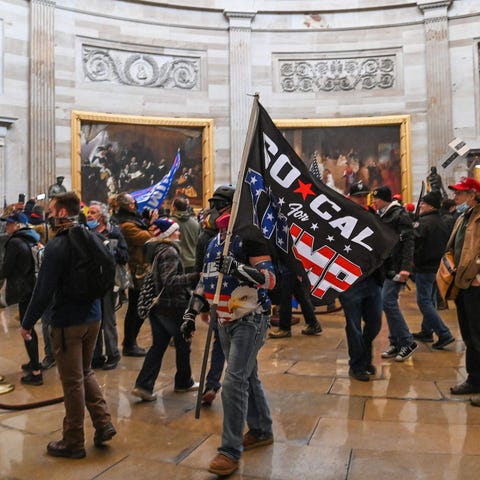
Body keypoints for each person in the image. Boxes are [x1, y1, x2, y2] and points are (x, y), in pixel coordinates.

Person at [20, 192, 116, 458]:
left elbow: (43, 290)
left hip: (68, 323)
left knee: (72, 381)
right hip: (94, 317)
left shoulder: (57, 246)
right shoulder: (93, 238)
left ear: (62, 213)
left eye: (52, 210)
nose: (49, 215)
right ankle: (104, 422)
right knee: (85, 372)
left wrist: (27, 323)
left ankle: (73, 440)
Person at [181, 211, 276, 477]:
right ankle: (261, 429)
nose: (213, 212)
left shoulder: (250, 236)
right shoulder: (213, 242)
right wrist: (191, 311)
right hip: (223, 319)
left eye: (218, 206)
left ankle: (229, 451)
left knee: (234, 382)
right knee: (249, 376)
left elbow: (269, 279)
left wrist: (237, 268)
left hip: (249, 317)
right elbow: (205, 279)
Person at [131, 218, 200, 401]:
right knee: (183, 343)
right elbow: (169, 282)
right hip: (173, 306)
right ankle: (183, 382)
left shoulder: (157, 250)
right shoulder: (169, 251)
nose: (179, 233)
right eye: (175, 230)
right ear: (167, 234)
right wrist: (194, 277)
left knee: (159, 345)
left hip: (158, 307)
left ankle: (144, 385)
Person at [338, 181, 384, 381]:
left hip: (372, 279)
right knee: (354, 326)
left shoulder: (374, 217)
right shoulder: (340, 219)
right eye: (358, 196)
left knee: (374, 323)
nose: (362, 199)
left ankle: (364, 357)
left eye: (365, 196)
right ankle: (357, 365)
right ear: (350, 198)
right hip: (351, 281)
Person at [194, 185, 235, 406]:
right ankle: (214, 384)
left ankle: (214, 384)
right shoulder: (209, 237)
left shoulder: (239, 234)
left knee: (223, 345)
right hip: (220, 300)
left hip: (233, 303)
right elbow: (201, 271)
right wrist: (201, 305)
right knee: (221, 343)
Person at [442, 178, 480, 407]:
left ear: (473, 195)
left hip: (476, 285)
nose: (455, 198)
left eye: (460, 194)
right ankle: (474, 379)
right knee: (469, 336)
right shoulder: (463, 218)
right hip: (463, 284)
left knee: (479, 337)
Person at [372, 185, 418, 362]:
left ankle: (407, 341)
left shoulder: (399, 215)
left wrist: (406, 267)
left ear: (385, 199)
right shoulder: (382, 215)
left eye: (376, 198)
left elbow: (408, 241)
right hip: (386, 267)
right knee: (389, 303)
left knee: (388, 302)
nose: (374, 201)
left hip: (397, 267)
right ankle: (396, 341)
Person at [0, 212, 43, 385]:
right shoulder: (30, 238)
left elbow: (7, 269)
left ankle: (36, 373)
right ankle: (34, 363)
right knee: (29, 327)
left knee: (27, 330)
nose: (7, 226)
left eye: (10, 224)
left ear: (18, 225)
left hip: (24, 290)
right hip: (33, 287)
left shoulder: (15, 242)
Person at [115, 192, 157, 356]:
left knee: (137, 307)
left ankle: (129, 341)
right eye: (134, 202)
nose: (136, 204)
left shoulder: (131, 221)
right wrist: (152, 224)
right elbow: (147, 238)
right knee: (137, 308)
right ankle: (130, 344)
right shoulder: (126, 225)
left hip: (140, 267)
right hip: (137, 270)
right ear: (129, 206)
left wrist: (147, 221)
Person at [87, 201, 128, 370]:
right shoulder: (86, 233)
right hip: (91, 283)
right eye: (89, 212)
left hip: (109, 283)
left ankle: (113, 354)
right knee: (94, 320)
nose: (89, 215)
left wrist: (110, 251)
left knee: (108, 321)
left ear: (102, 217)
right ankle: (96, 356)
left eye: (93, 212)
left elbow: (124, 256)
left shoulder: (115, 233)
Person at [411, 190, 455, 348]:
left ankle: (444, 333)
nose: (421, 205)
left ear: (430, 205)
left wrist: (413, 261)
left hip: (425, 267)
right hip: (438, 267)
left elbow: (415, 243)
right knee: (430, 300)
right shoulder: (442, 220)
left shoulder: (423, 222)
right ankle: (427, 331)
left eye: (423, 203)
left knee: (424, 301)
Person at [268, 263, 322, 338]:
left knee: (285, 296)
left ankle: (284, 328)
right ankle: (313, 324)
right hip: (292, 265)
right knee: (300, 294)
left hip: (289, 264)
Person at [171, 196, 200, 273]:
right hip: (192, 263)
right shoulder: (195, 223)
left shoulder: (170, 223)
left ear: (174, 208)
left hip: (176, 263)